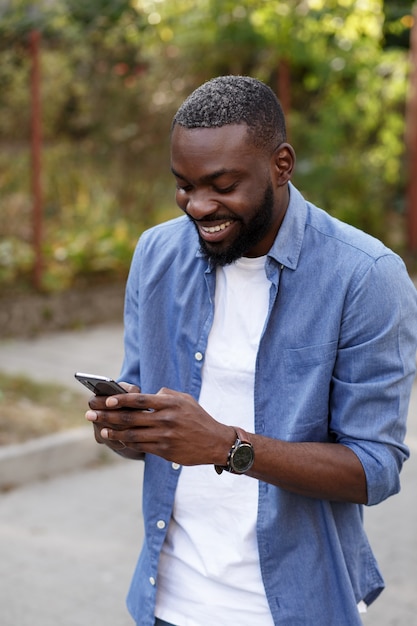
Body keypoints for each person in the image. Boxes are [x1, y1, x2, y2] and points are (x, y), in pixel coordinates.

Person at [85, 76, 417, 626]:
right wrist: (124, 429)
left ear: (281, 164)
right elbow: (147, 420)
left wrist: (225, 446)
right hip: (166, 602)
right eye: (184, 185)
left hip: (292, 608)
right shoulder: (156, 254)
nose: (198, 206)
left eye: (222, 184)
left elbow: (374, 468)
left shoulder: (365, 276)